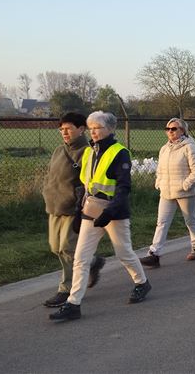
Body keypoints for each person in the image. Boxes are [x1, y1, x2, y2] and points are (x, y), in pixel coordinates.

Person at [50, 111, 150, 321]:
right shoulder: (89, 152)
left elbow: (124, 187)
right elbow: (86, 186)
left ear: (110, 129)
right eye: (91, 127)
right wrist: (79, 211)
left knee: (124, 253)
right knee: (81, 258)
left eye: (98, 127)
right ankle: (73, 303)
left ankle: (141, 282)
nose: (94, 132)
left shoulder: (119, 152)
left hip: (114, 210)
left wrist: (110, 212)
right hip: (90, 209)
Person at [42, 112, 106, 308]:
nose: (64, 132)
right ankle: (93, 262)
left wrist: (78, 201)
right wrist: (47, 192)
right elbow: (50, 176)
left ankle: (67, 288)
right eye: (62, 129)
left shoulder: (87, 152)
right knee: (55, 247)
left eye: (68, 128)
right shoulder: (58, 151)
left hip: (73, 208)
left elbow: (89, 182)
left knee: (68, 248)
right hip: (54, 206)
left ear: (81, 129)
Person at [140, 118, 195, 268]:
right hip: (166, 192)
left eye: (174, 129)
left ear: (182, 130)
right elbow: (160, 169)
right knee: (162, 222)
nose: (170, 131)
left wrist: (185, 185)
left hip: (185, 192)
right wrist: (159, 183)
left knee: (190, 220)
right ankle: (154, 254)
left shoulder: (190, 147)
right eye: (168, 129)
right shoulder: (164, 148)